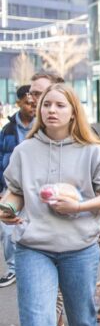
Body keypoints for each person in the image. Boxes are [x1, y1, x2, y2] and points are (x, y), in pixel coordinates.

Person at [0, 84, 100, 326]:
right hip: (34, 247)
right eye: (46, 105)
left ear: (73, 111)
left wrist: (78, 206)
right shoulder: (25, 150)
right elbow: (15, 190)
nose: (51, 110)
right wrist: (7, 207)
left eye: (59, 105)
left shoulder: (94, 151)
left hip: (79, 248)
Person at [0, 85, 35, 288]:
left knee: (31, 226)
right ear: (19, 103)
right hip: (12, 186)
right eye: (28, 103)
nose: (32, 107)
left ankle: (29, 266)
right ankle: (13, 269)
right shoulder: (9, 129)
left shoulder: (42, 126)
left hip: (36, 186)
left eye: (34, 103)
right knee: (6, 227)